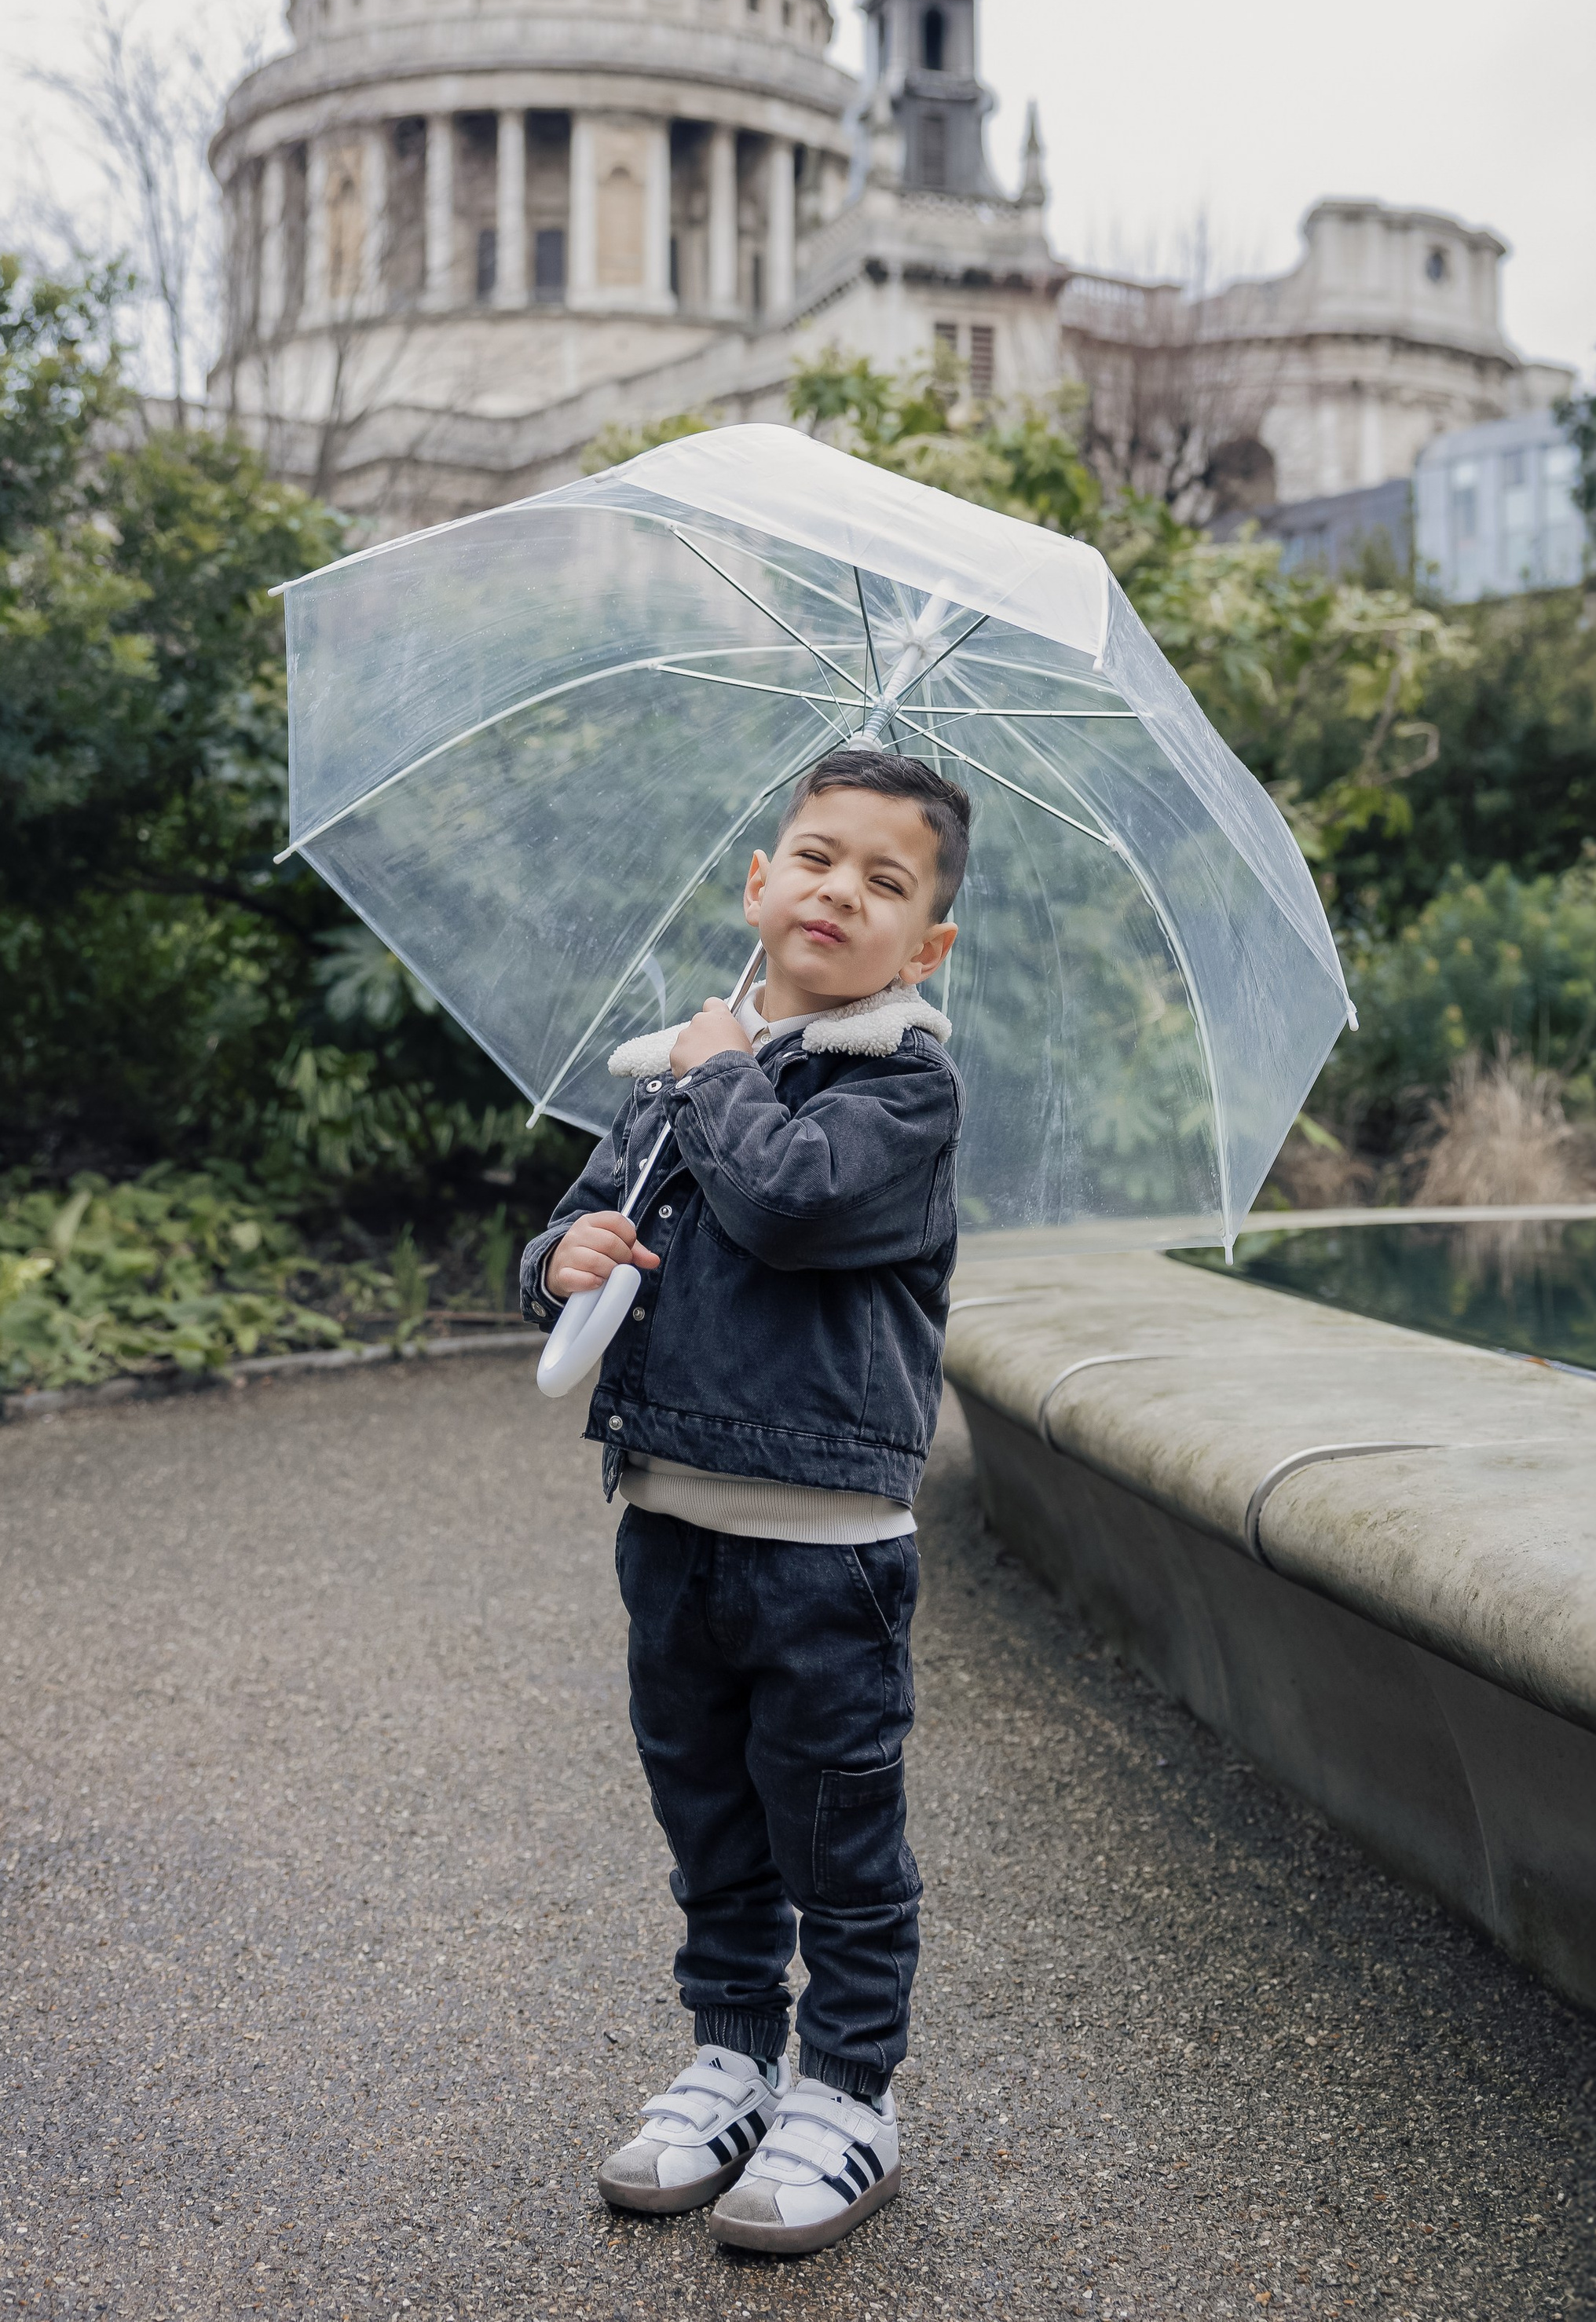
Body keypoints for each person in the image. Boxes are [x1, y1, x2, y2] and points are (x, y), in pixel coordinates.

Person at [520, 745, 969, 2259]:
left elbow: (788, 1201)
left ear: (928, 941)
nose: (844, 888)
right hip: (671, 1518)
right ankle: (731, 2051)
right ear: (762, 884)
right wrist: (559, 1263)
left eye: (887, 880)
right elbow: (588, 1220)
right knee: (706, 1808)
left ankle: (847, 2090)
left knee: (836, 1828)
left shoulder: (904, 1086)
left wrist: (718, 1070)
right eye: (818, 856)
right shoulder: (679, 1072)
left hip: (824, 1548)